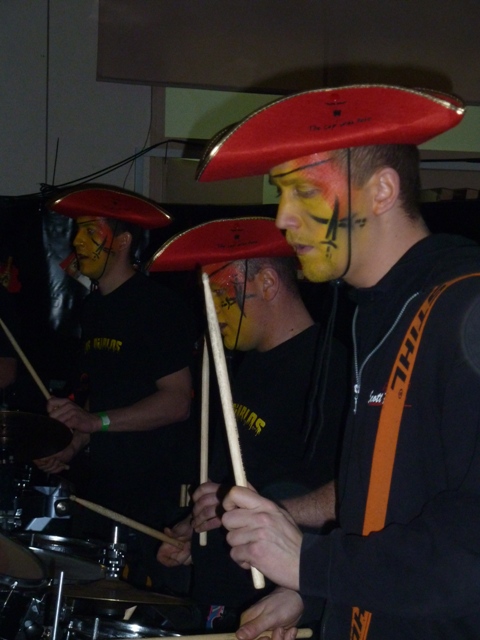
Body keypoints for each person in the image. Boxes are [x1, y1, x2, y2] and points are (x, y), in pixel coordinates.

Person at [193, 85, 480, 639]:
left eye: (304, 190)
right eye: (282, 194)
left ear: (382, 191)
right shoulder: (372, 316)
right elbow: (389, 508)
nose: (282, 218)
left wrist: (310, 563)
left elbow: (469, 553)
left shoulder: (465, 307)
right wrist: (314, 594)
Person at [149, 217, 348, 631]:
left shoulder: (333, 372)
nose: (212, 310)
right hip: (219, 594)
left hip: (281, 607)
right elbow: (238, 479)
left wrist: (271, 511)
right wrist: (196, 529)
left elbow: (358, 491)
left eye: (220, 293)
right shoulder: (246, 365)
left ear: (268, 284)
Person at [34, 185, 197, 591]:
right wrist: (74, 443)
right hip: (104, 486)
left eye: (90, 231)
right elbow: (103, 396)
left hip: (153, 490)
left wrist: (95, 422)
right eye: (77, 231)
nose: (77, 241)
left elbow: (178, 401)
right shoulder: (94, 309)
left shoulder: (156, 305)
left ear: (122, 242)